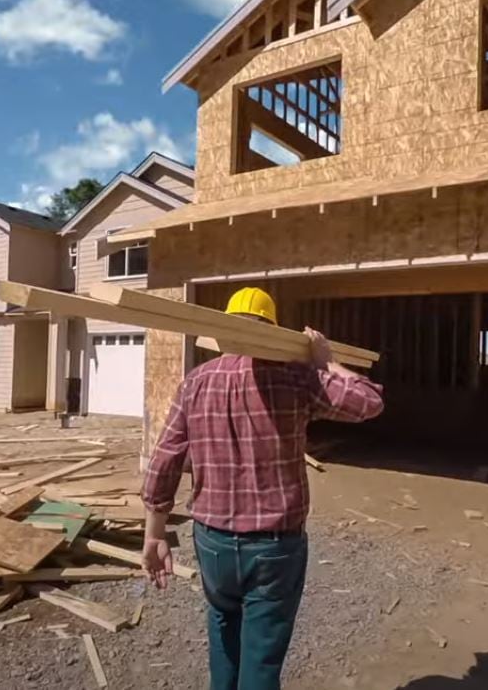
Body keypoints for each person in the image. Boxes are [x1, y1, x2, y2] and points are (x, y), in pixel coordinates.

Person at [141, 287, 385, 690]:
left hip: (213, 540)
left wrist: (154, 533)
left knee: (223, 633)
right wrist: (327, 364)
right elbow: (369, 402)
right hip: (274, 546)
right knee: (262, 657)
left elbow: (164, 457)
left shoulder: (195, 383)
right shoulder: (298, 377)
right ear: (272, 328)